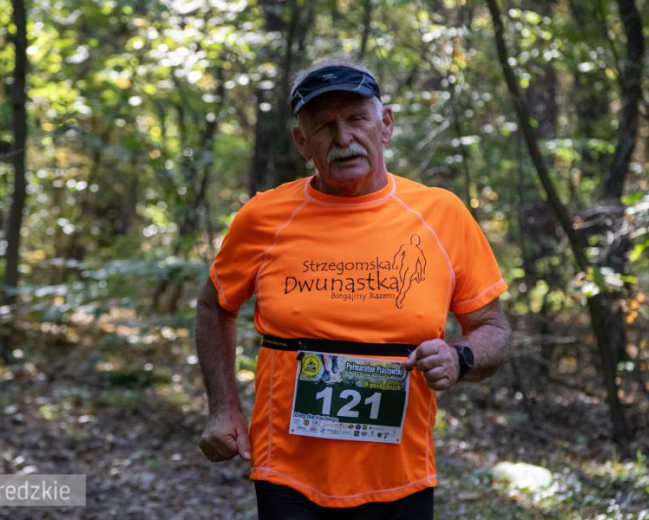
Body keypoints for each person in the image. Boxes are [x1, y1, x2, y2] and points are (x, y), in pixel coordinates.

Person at [196, 58, 511, 519]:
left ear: (385, 125)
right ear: (302, 143)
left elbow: (494, 329)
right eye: (324, 127)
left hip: (400, 474)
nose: (343, 139)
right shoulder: (264, 216)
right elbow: (213, 307)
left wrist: (460, 358)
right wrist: (223, 408)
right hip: (288, 471)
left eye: (356, 119)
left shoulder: (442, 214)